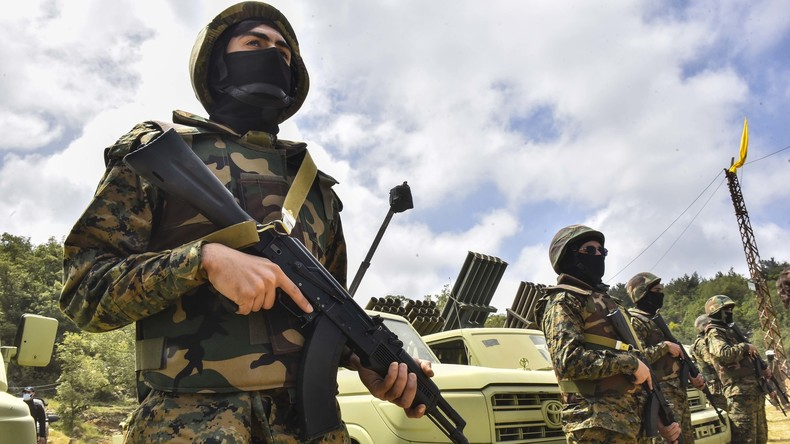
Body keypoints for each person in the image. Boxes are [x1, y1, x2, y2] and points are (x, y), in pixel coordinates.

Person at [59, 2, 432, 442]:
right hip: (187, 427)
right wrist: (203, 261)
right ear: (219, 63)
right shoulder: (161, 156)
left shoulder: (318, 192)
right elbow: (84, 292)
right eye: (255, 43)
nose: (272, 54)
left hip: (313, 429)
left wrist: (367, 361)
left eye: (283, 52)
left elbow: (322, 310)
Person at [534, 224, 680, 444]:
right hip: (596, 424)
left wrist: (658, 419)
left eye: (601, 250)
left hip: (631, 423)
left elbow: (639, 368)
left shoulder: (609, 303)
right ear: (567, 256)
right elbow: (568, 360)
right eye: (589, 250)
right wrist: (629, 363)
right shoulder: (564, 301)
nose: (598, 255)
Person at [625, 272, 705, 443]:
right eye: (656, 290)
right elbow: (636, 358)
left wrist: (690, 374)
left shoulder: (654, 319)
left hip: (677, 391)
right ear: (642, 293)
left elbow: (673, 358)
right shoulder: (634, 321)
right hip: (661, 393)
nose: (661, 293)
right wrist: (665, 347)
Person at [704, 294, 769, 444]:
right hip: (739, 393)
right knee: (745, 438)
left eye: (730, 309)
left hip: (754, 390)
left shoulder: (730, 330)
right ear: (716, 311)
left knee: (760, 438)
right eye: (726, 309)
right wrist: (745, 347)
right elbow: (723, 354)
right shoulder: (714, 332)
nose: (730, 312)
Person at [689, 315, 728, 412]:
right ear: (705, 326)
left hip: (721, 386)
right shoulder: (701, 343)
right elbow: (713, 360)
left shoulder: (708, 340)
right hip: (717, 389)